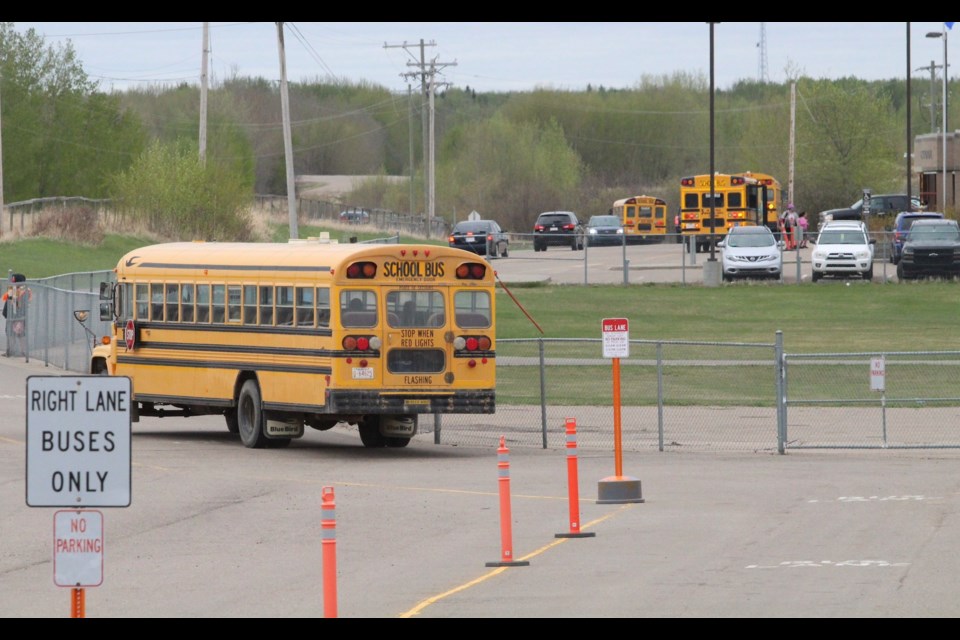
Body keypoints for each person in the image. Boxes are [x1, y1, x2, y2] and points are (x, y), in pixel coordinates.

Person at [3, 273, 32, 357]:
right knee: (10, 333)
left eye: (14, 281)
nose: (12, 282)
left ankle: (22, 352)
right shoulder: (13, 289)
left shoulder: (22, 291)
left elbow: (18, 305)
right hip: (12, 316)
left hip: (18, 317)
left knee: (20, 334)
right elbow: (7, 301)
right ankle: (11, 351)